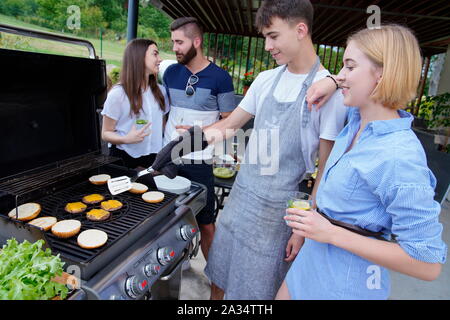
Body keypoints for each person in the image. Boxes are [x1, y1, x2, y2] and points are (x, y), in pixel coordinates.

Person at [152, 0, 347, 299]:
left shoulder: (326, 92)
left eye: (273, 35)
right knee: (219, 273)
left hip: (278, 213)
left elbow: (326, 167)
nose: (267, 45)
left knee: (256, 291)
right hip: (242, 196)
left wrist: (303, 227)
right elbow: (227, 127)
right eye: (265, 37)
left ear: (300, 30)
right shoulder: (266, 80)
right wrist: (182, 146)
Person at [278, 24, 447, 300]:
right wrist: (332, 82)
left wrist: (330, 234)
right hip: (307, 272)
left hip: (345, 289)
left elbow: (427, 264)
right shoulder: (355, 123)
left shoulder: (399, 155)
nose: (341, 75)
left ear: (381, 73)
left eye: (349, 67)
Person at [162, 17, 237, 261]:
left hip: (200, 161)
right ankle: (172, 266)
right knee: (167, 219)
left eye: (180, 42)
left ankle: (214, 277)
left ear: (197, 41)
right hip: (169, 157)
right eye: (173, 42)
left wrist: (201, 132)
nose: (175, 48)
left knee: (206, 222)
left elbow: (231, 123)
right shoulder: (171, 73)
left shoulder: (220, 78)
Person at [101, 39, 169, 170]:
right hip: (123, 158)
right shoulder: (118, 94)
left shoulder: (161, 91)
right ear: (139, 57)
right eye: (155, 54)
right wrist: (127, 138)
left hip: (154, 158)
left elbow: (163, 125)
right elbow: (105, 133)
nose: (160, 59)